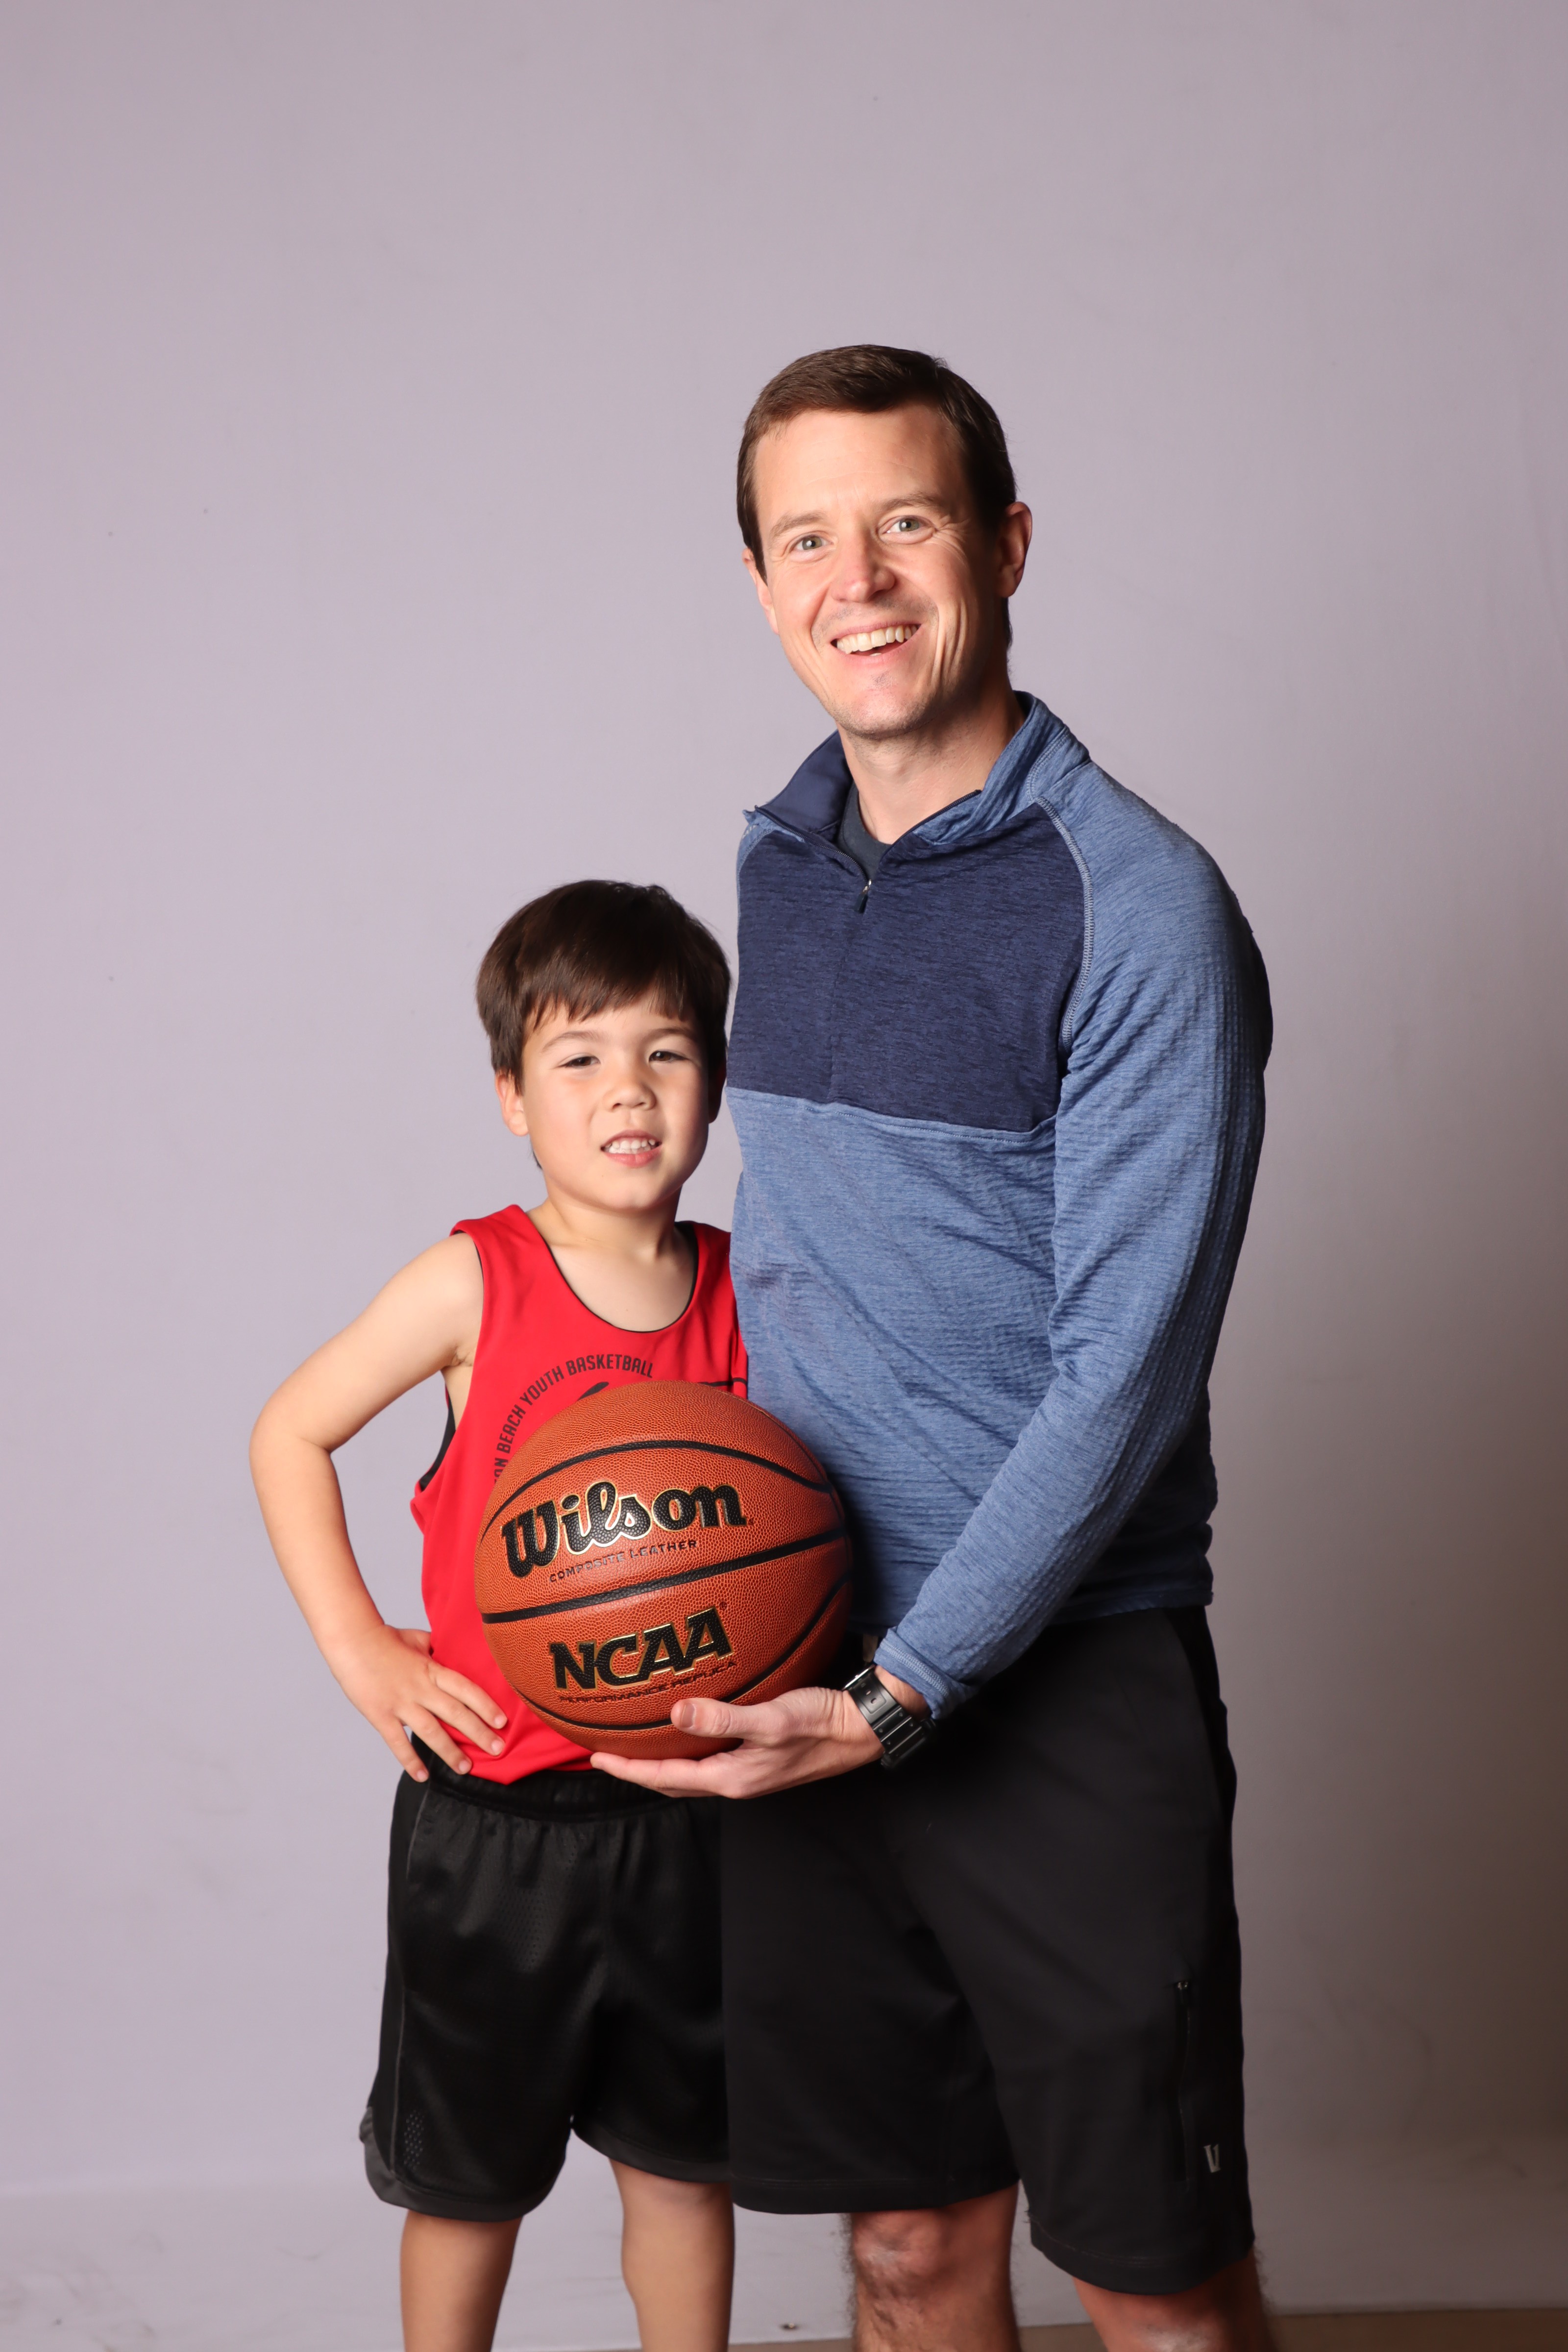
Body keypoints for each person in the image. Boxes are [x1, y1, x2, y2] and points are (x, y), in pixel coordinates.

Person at [594, 348, 1277, 2352]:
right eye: (806, 539)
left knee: (1156, 2284)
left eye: (906, 521)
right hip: (795, 1642)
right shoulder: (779, 865)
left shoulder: (1139, 905)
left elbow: (1123, 1377)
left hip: (1055, 1687)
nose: (860, 581)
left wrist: (902, 1698)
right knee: (903, 2252)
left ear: (1004, 544)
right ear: (759, 583)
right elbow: (798, 1260)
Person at [250, 882, 745, 2352]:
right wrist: (360, 1648)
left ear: (716, 1081)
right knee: (468, 2186)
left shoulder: (750, 1287)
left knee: (685, 2172)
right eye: (580, 1057)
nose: (628, 1090)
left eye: (666, 1052)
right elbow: (289, 1432)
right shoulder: (477, 1277)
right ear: (513, 1099)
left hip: (691, 1824)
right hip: (496, 1823)